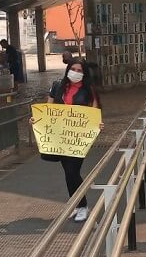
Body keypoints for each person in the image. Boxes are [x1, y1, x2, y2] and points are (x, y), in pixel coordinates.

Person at [33, 60, 103, 223]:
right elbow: (48, 110)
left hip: (78, 138)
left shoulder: (89, 90)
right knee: (68, 173)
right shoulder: (58, 86)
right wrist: (37, 120)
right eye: (73, 69)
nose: (75, 72)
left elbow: (94, 112)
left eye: (79, 70)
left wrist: (97, 124)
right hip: (60, 138)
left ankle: (83, 205)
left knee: (73, 171)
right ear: (67, 70)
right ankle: (77, 205)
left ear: (84, 73)